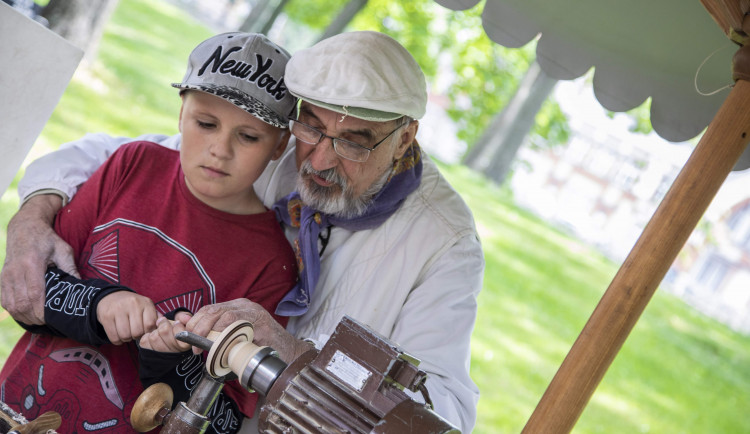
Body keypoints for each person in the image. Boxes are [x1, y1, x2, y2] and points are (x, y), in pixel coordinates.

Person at [1, 30, 485, 432]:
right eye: (311, 127)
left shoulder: (444, 245)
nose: (318, 161)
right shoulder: (261, 155)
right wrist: (32, 218)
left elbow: (444, 416)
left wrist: (294, 355)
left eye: (353, 144)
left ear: (405, 136)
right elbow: (124, 158)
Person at [0, 32, 298, 433]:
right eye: (206, 123)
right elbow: (27, 288)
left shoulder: (271, 261)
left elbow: (225, 424)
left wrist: (170, 365)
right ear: (180, 114)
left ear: (280, 146)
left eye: (248, 136)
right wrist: (99, 306)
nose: (220, 149)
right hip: (15, 410)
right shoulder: (132, 165)